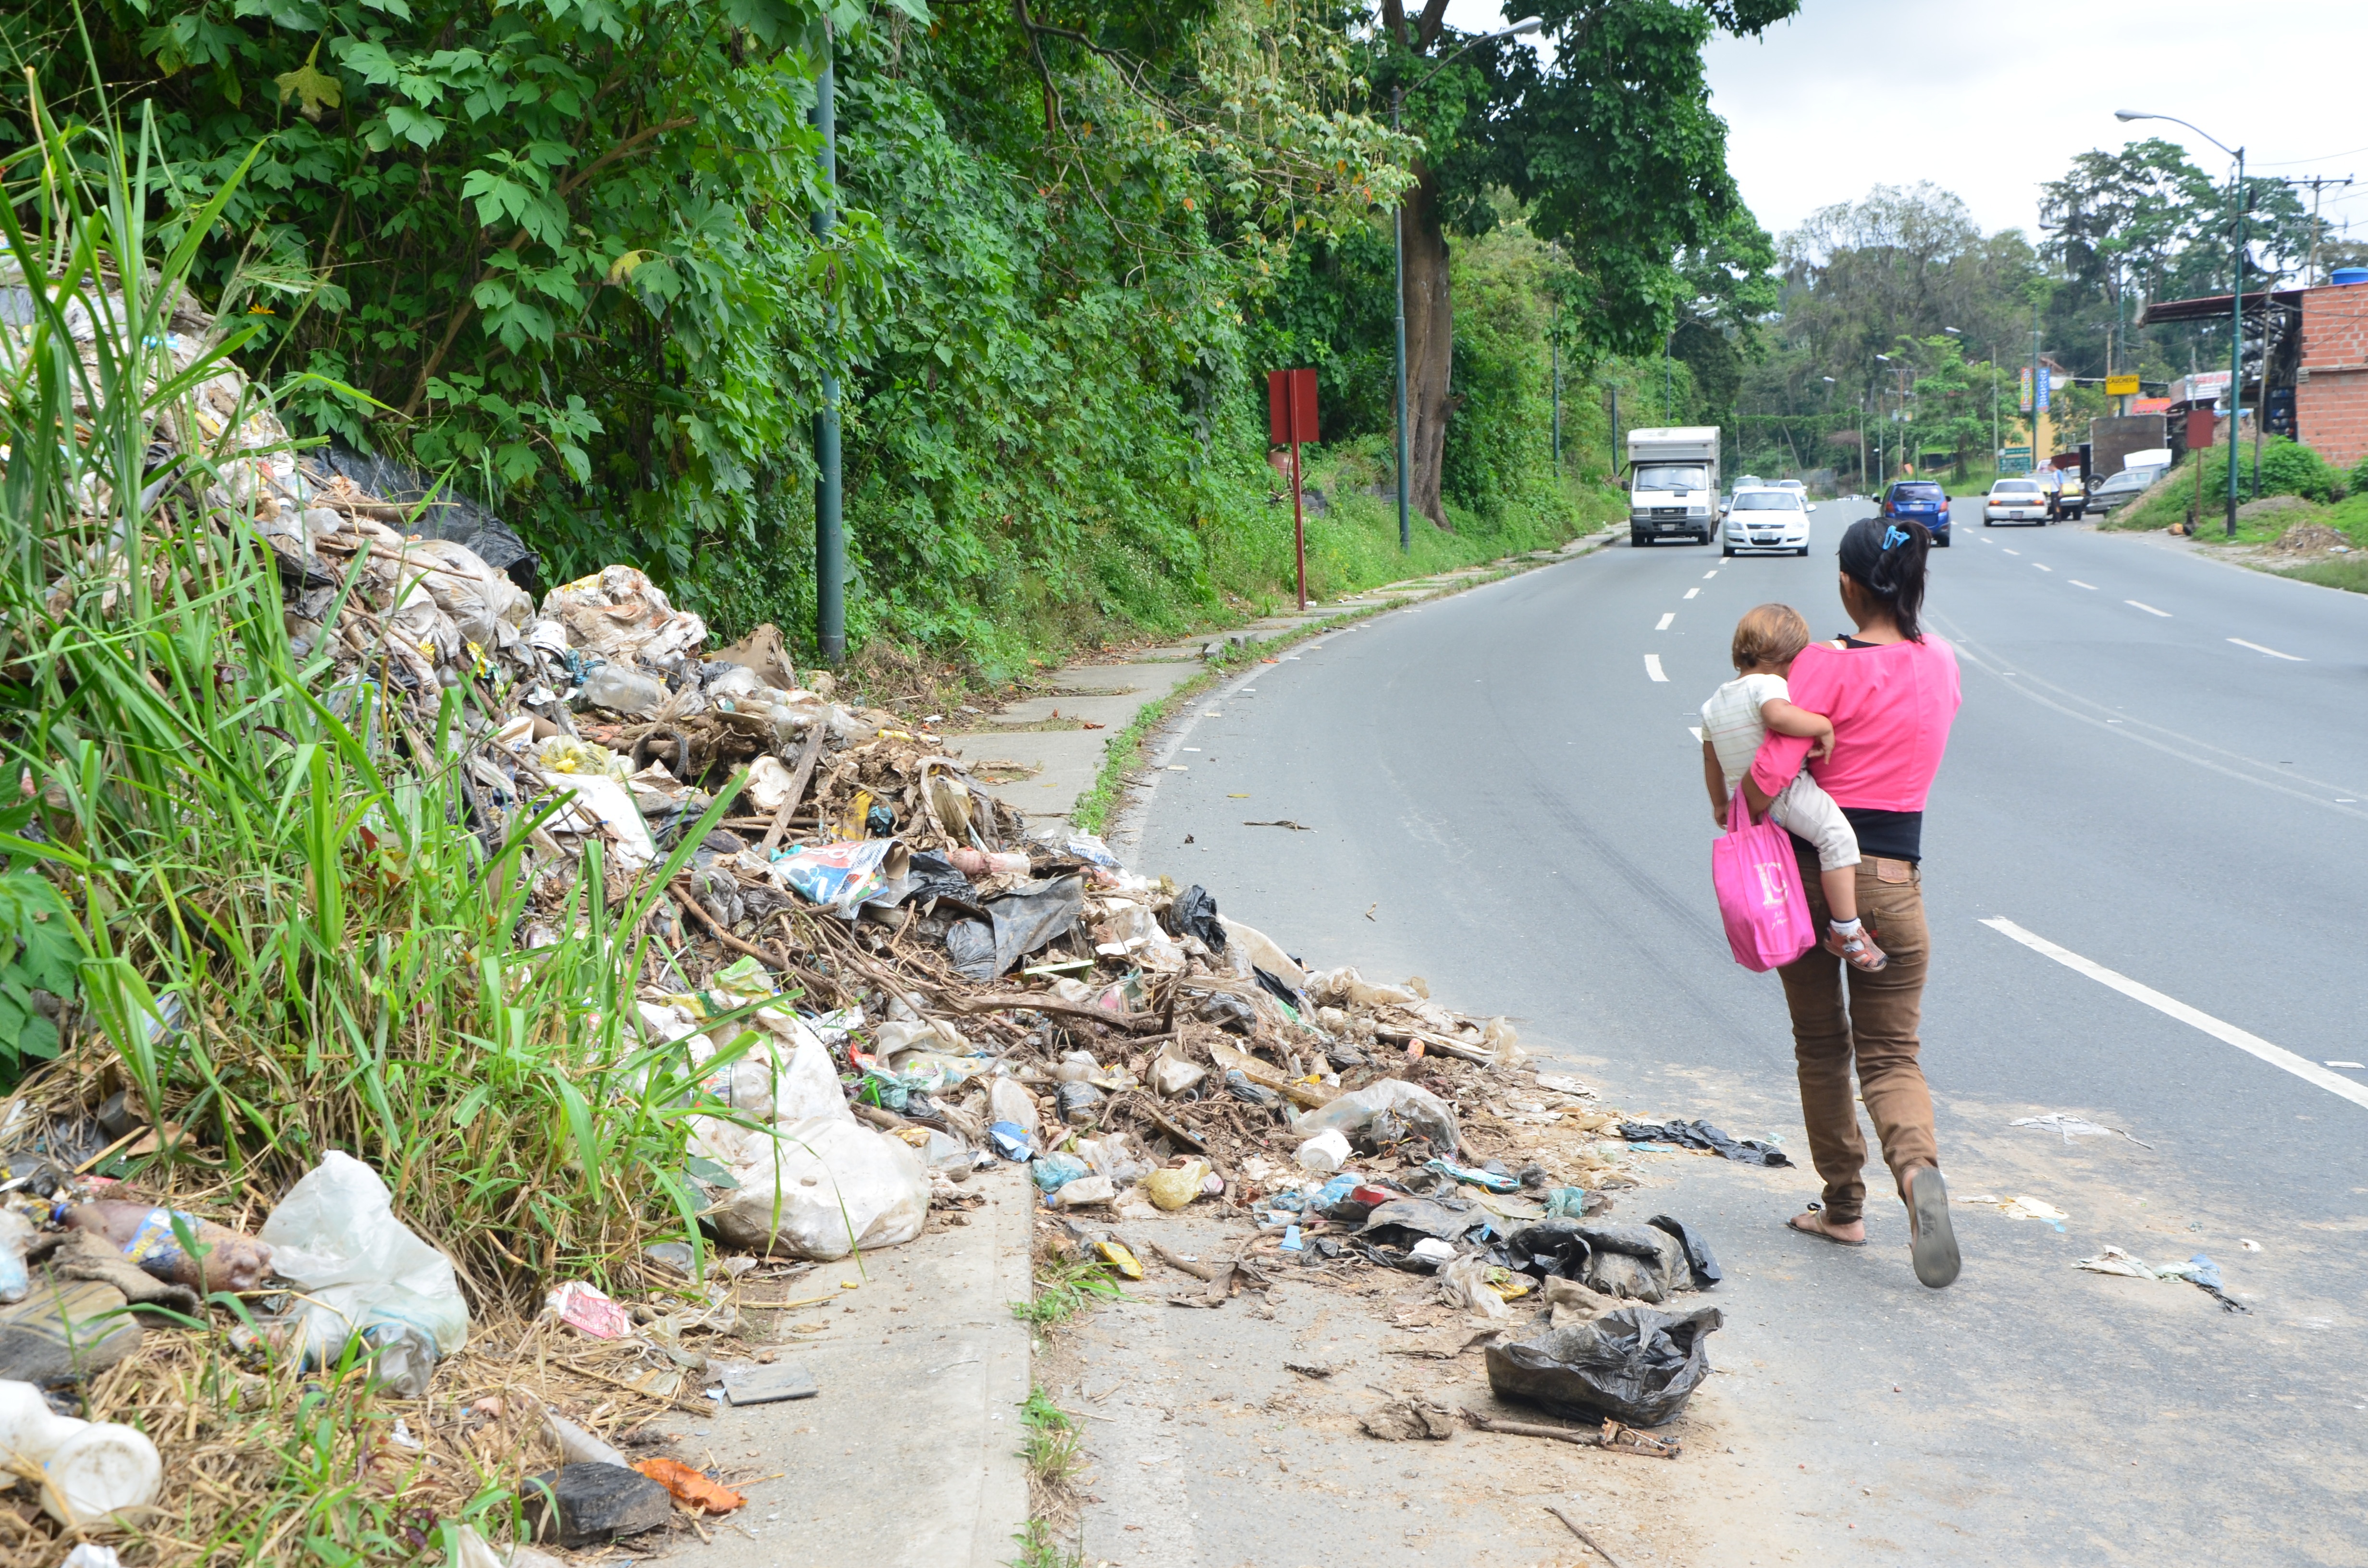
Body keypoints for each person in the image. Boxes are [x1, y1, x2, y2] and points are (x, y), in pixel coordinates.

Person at [1743, 518, 1963, 1289]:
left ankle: (1843, 1207)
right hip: (1899, 883)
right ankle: (1917, 1175)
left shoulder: (1821, 668)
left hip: (1815, 886)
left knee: (1822, 1045)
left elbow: (1769, 780)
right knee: (1893, 1055)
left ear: (1846, 584)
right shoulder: (1941, 663)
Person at [1699, 603, 1887, 972]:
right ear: (1789, 657)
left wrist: (1720, 804)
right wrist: (1822, 725)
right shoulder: (1768, 685)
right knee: (1838, 839)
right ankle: (1846, 931)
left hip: (1744, 798)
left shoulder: (1713, 703)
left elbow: (1711, 760)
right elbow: (1779, 717)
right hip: (1785, 791)